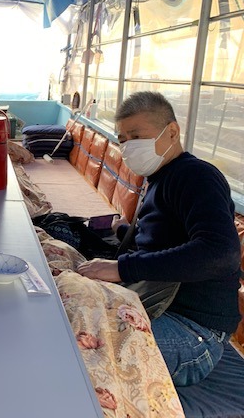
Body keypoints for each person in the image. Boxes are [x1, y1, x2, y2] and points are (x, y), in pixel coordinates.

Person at [76, 91, 241, 386]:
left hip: (193, 332)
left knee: (78, 350)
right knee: (71, 312)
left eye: (136, 136)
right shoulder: (160, 178)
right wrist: (123, 231)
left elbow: (219, 252)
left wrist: (122, 268)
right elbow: (161, 242)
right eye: (123, 139)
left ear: (172, 132)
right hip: (155, 304)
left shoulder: (197, 177)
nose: (128, 146)